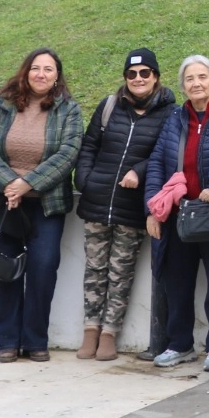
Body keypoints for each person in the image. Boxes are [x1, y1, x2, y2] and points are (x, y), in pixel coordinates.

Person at [0, 48, 82, 363]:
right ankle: (7, 340)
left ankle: (36, 339)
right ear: (26, 71)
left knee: (43, 268)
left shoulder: (69, 110)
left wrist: (28, 183)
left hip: (46, 204)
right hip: (5, 202)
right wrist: (10, 184)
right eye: (36, 68)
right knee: (6, 268)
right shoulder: (4, 104)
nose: (41, 74)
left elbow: (68, 153)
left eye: (49, 69)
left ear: (57, 76)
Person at [74, 48, 176, 362]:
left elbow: (166, 153)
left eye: (145, 73)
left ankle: (109, 334)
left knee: (121, 273)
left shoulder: (170, 113)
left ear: (156, 77)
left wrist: (140, 172)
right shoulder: (109, 106)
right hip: (98, 201)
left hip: (132, 207)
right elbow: (89, 145)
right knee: (94, 270)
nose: (138, 79)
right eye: (132, 74)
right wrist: (85, 180)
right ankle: (90, 329)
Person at [144, 55, 209, 371]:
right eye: (189, 79)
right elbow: (158, 163)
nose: (195, 84)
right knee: (177, 283)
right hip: (179, 216)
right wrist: (153, 210)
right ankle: (179, 344)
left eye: (202, 77)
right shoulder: (175, 118)